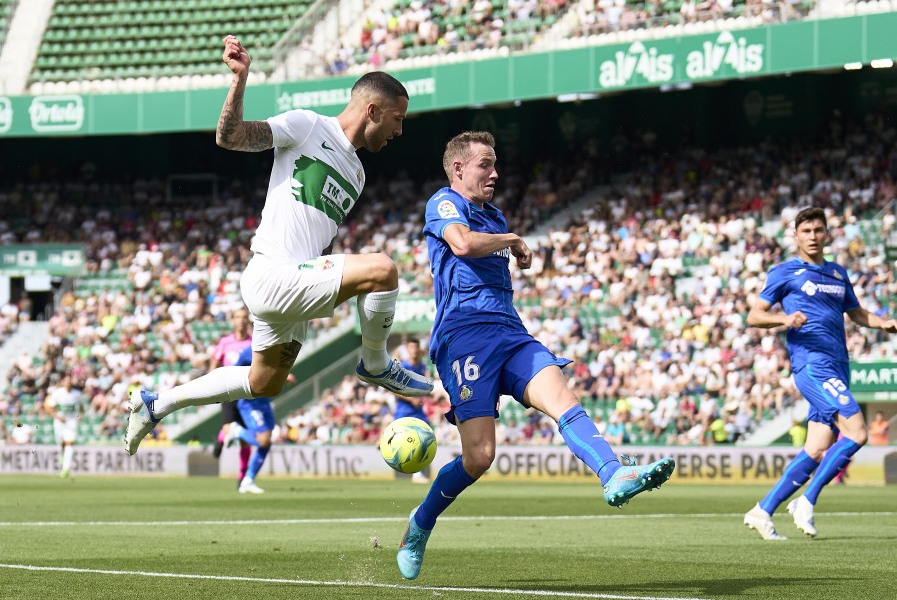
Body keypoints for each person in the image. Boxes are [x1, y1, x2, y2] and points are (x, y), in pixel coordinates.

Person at [124, 35, 433, 455]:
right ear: (372, 110)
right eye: (397, 119)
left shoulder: (358, 174)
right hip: (271, 275)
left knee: (263, 382)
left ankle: (156, 404)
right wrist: (240, 79)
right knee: (383, 269)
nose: (400, 130)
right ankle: (375, 363)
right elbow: (230, 137)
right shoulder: (308, 126)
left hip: (294, 282)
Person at [395, 131, 675, 580]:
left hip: (510, 333)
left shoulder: (494, 214)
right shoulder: (443, 203)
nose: (495, 173)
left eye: (495, 163)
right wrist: (511, 238)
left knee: (561, 396)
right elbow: (462, 244)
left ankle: (612, 474)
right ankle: (420, 523)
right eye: (485, 164)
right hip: (463, 338)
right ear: (459, 169)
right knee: (479, 457)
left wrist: (507, 235)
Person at [743, 207, 897, 540]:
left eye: (818, 230)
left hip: (839, 365)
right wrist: (783, 320)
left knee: (816, 447)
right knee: (857, 433)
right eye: (807, 231)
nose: (813, 236)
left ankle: (762, 510)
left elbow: (856, 313)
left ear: (827, 234)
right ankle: (807, 501)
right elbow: (755, 316)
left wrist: (882, 322)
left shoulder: (838, 274)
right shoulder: (785, 272)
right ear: (796, 236)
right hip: (813, 365)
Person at [223, 346, 290, 494]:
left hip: (265, 401)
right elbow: (233, 372)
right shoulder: (249, 351)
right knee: (264, 440)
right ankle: (237, 430)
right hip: (250, 402)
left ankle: (248, 480)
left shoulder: (277, 347)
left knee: (266, 443)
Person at [209, 307, 253, 486]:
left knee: (244, 439)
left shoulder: (254, 343)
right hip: (228, 391)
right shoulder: (225, 342)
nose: (241, 320)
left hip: (247, 394)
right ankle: (221, 439)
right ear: (233, 321)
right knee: (229, 429)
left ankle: (242, 475)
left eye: (244, 317)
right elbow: (214, 363)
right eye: (238, 317)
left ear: (248, 320)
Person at [395, 338, 432, 483]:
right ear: (407, 349)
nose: (414, 350)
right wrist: (412, 399)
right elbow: (392, 389)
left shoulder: (421, 367)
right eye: (411, 348)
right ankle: (385, 439)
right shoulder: (402, 366)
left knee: (425, 438)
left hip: (418, 411)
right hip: (404, 410)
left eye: (416, 347)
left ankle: (418, 474)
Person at [46, 376, 86, 478]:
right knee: (61, 442)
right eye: (66, 381)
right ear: (63, 382)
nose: (68, 383)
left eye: (70, 381)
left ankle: (66, 469)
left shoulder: (77, 394)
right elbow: (50, 408)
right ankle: (62, 456)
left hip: (71, 421)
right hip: (59, 422)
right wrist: (57, 416)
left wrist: (80, 415)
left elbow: (82, 407)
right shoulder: (57, 393)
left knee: (70, 442)